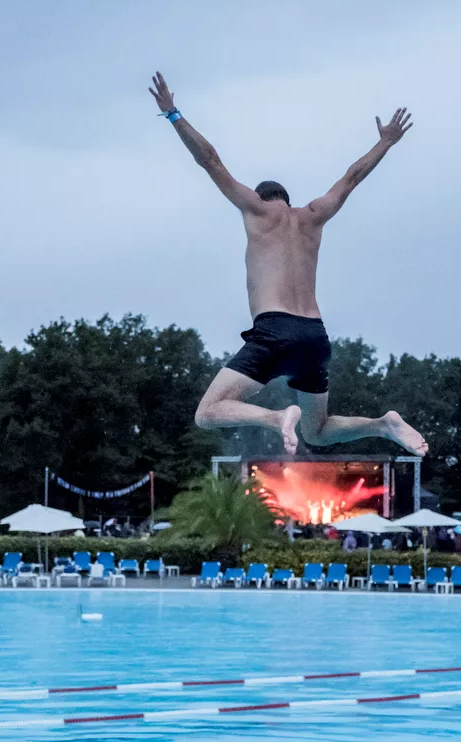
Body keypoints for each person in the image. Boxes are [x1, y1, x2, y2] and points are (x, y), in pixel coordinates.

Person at [148, 72, 429, 457]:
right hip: (315, 337)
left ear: (262, 199)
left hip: (275, 331)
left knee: (207, 413)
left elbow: (209, 160)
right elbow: (352, 177)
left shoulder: (257, 211)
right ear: (288, 198)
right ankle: (384, 425)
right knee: (318, 431)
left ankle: (276, 417)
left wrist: (173, 114)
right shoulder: (314, 214)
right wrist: (385, 142)